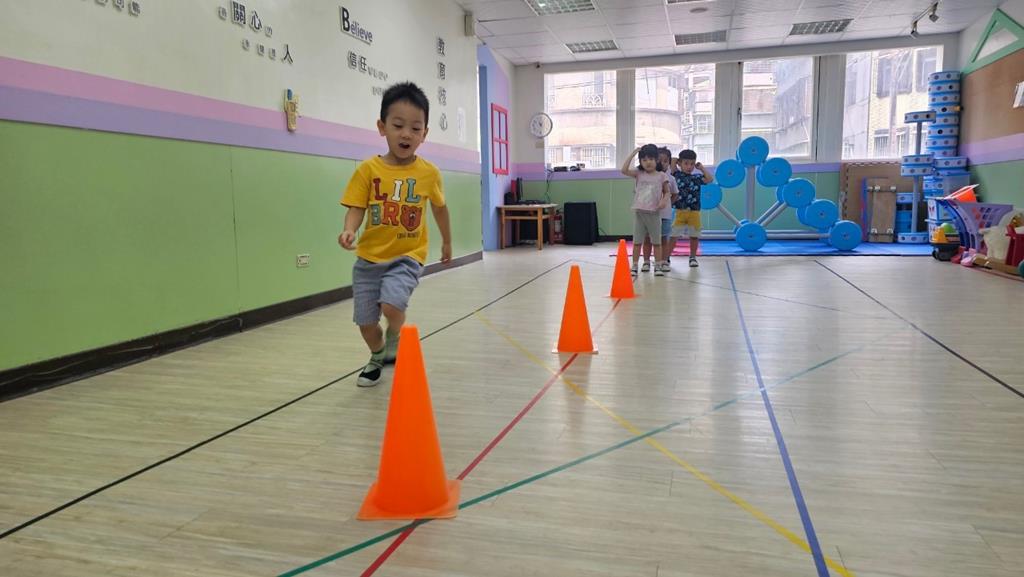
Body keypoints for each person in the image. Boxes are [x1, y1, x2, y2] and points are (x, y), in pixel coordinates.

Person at [338, 82, 452, 387]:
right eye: (398, 125)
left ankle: (394, 336)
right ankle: (377, 355)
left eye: (415, 128)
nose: (406, 134)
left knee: (392, 305)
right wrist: (349, 229)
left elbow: (440, 209)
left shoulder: (429, 173)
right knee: (366, 324)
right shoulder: (368, 170)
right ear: (382, 127)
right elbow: (356, 207)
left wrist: (447, 242)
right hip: (368, 260)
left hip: (407, 256)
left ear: (424, 134)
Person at [621, 144, 671, 277]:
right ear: (640, 162)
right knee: (637, 242)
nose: (648, 162)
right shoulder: (639, 174)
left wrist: (663, 201)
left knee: (656, 242)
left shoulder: (661, 176)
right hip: (640, 213)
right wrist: (633, 154)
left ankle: (658, 265)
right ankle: (635, 265)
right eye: (644, 160)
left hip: (654, 214)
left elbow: (667, 192)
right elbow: (624, 170)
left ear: (656, 160)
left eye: (651, 159)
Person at [670, 149, 713, 268]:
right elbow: (672, 163)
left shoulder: (697, 177)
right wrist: (676, 161)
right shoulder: (677, 175)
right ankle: (666, 258)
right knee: (674, 236)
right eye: (686, 163)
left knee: (694, 236)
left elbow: (710, 179)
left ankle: (693, 257)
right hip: (680, 211)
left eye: (692, 164)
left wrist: (702, 168)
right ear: (680, 163)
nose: (689, 167)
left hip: (694, 212)